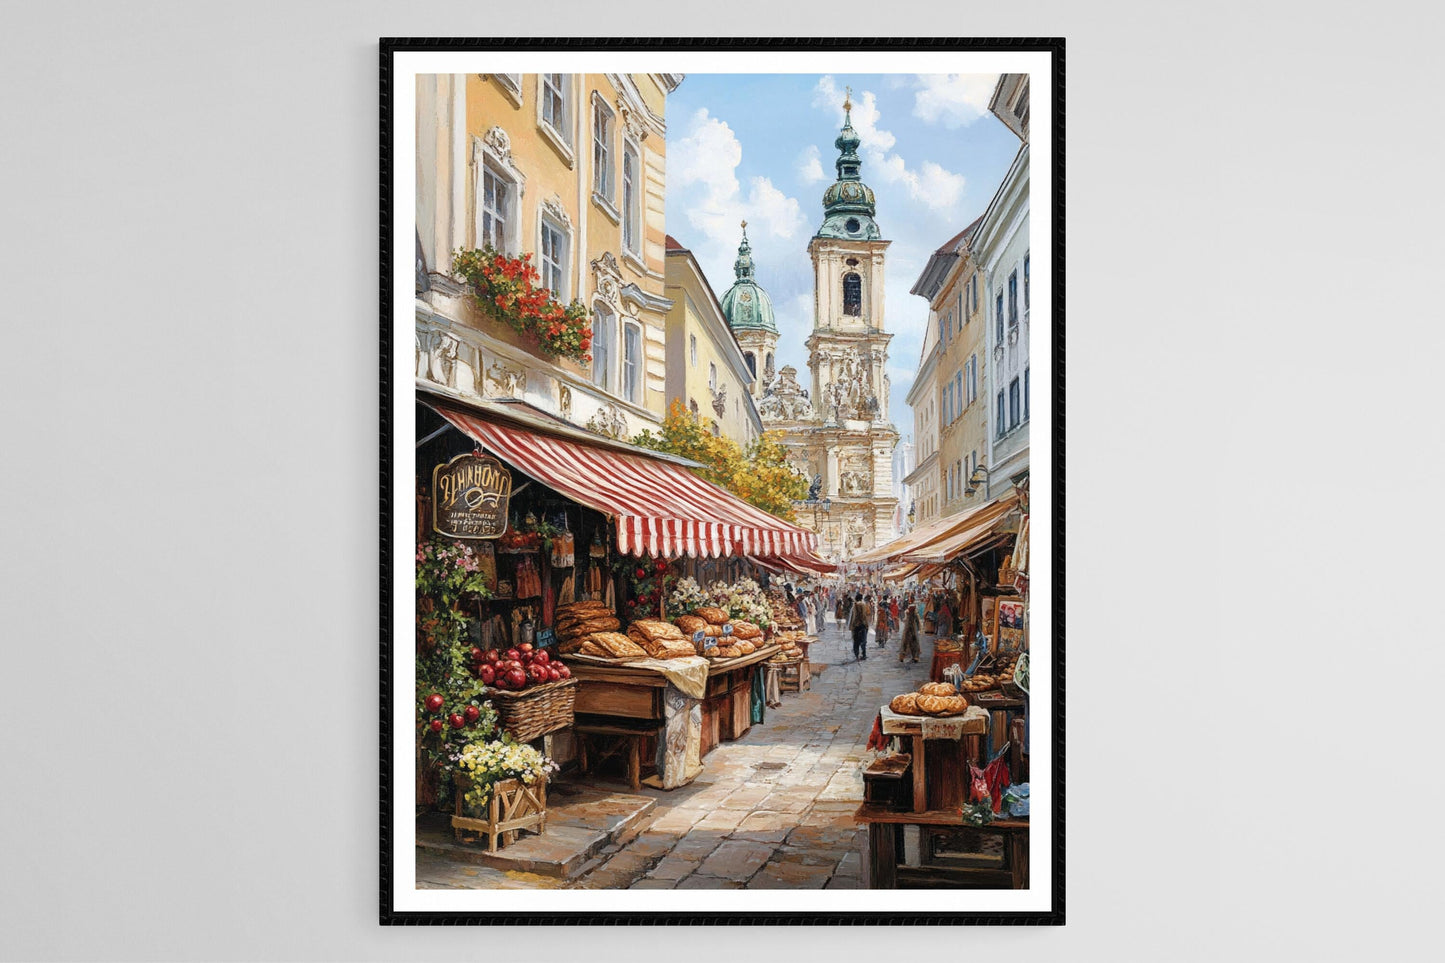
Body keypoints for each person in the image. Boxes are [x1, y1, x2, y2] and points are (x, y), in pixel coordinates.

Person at [848, 592, 871, 661]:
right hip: (863, 625)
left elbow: (852, 617)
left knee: (856, 641)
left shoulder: (854, 606)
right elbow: (865, 616)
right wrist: (866, 624)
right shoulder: (864, 605)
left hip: (856, 625)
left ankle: (857, 655)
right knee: (863, 640)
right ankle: (864, 654)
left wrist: (851, 626)